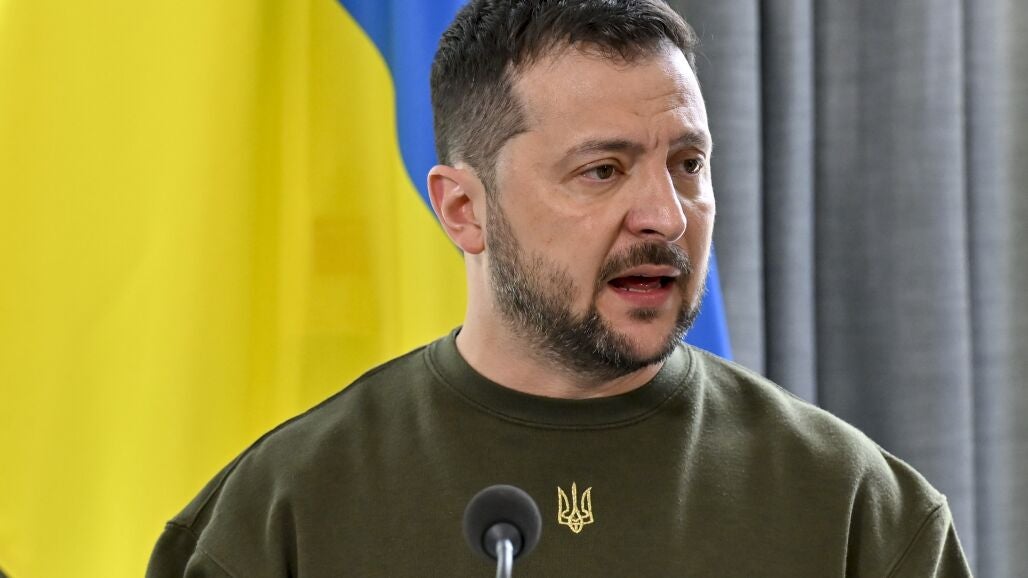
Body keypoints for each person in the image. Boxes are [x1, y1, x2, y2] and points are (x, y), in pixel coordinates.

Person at [147, 1, 973, 576]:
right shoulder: (281, 514)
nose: (665, 215)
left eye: (688, 164)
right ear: (464, 210)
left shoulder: (857, 511)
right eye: (602, 170)